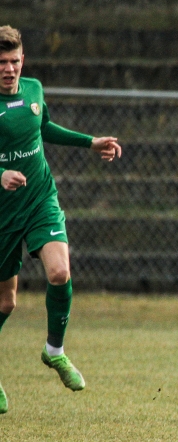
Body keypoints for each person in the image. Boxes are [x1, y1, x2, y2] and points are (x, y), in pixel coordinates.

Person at [0, 26, 121, 414]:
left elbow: (44, 127)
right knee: (6, 303)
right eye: (1, 63)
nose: (9, 69)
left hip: (39, 201)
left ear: (24, 61)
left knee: (59, 274)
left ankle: (54, 350)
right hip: (2, 212)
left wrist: (90, 142)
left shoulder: (34, 89)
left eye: (14, 61)